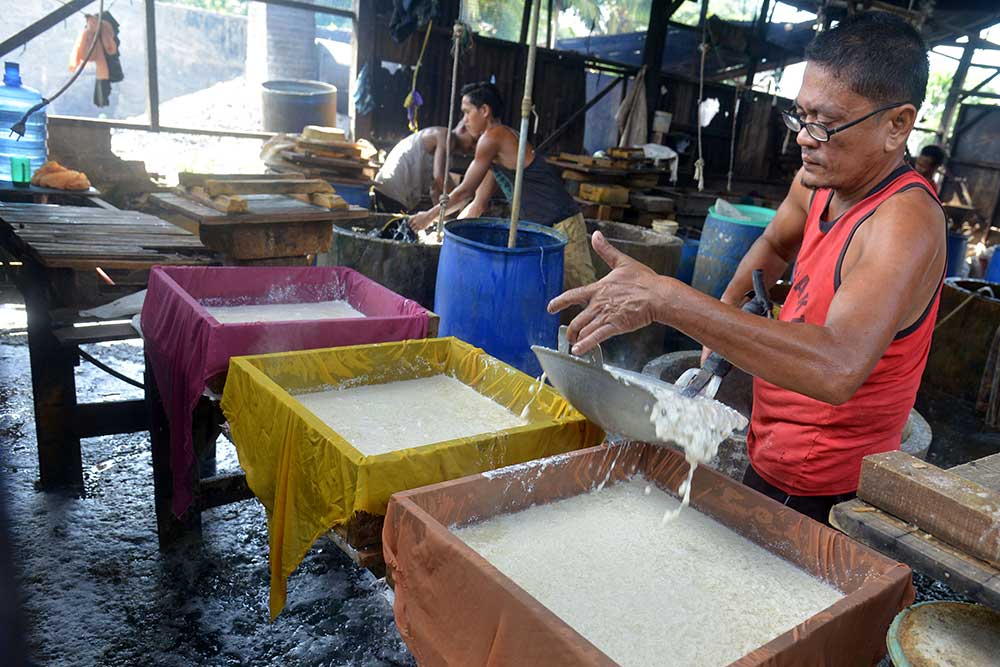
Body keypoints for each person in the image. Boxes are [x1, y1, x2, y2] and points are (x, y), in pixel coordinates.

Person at [549, 12, 946, 524]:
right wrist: (726, 312)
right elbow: (774, 243)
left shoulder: (903, 222)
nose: (804, 138)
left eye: (824, 124)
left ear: (898, 125)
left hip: (826, 483)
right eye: (799, 116)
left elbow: (838, 367)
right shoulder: (818, 181)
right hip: (771, 440)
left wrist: (672, 301)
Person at [408, 81, 596, 290]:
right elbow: (477, 203)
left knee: (583, 292)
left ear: (485, 110)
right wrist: (447, 235)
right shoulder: (498, 149)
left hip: (563, 222)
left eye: (467, 112)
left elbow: (464, 192)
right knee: (556, 295)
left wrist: (429, 216)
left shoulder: (492, 137)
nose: (464, 121)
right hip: (546, 227)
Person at [372, 123, 476, 213]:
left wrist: (443, 218)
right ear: (463, 129)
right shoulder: (446, 135)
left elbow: (435, 191)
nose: (474, 148)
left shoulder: (447, 155)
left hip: (390, 191)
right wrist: (463, 201)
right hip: (391, 189)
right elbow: (440, 178)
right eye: (474, 141)